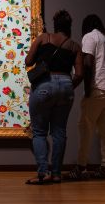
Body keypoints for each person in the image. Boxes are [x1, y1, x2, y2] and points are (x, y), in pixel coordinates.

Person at [24, 10, 83, 185]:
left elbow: (28, 61)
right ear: (69, 28)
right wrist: (66, 87)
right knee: (59, 132)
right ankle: (56, 173)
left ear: (54, 25)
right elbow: (79, 74)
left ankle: (43, 173)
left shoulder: (43, 38)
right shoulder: (74, 46)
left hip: (44, 85)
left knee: (40, 132)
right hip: (66, 84)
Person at [71, 14, 105, 180]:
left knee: (85, 127)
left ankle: (81, 167)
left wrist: (87, 90)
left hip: (97, 88)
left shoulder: (90, 37)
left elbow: (87, 63)